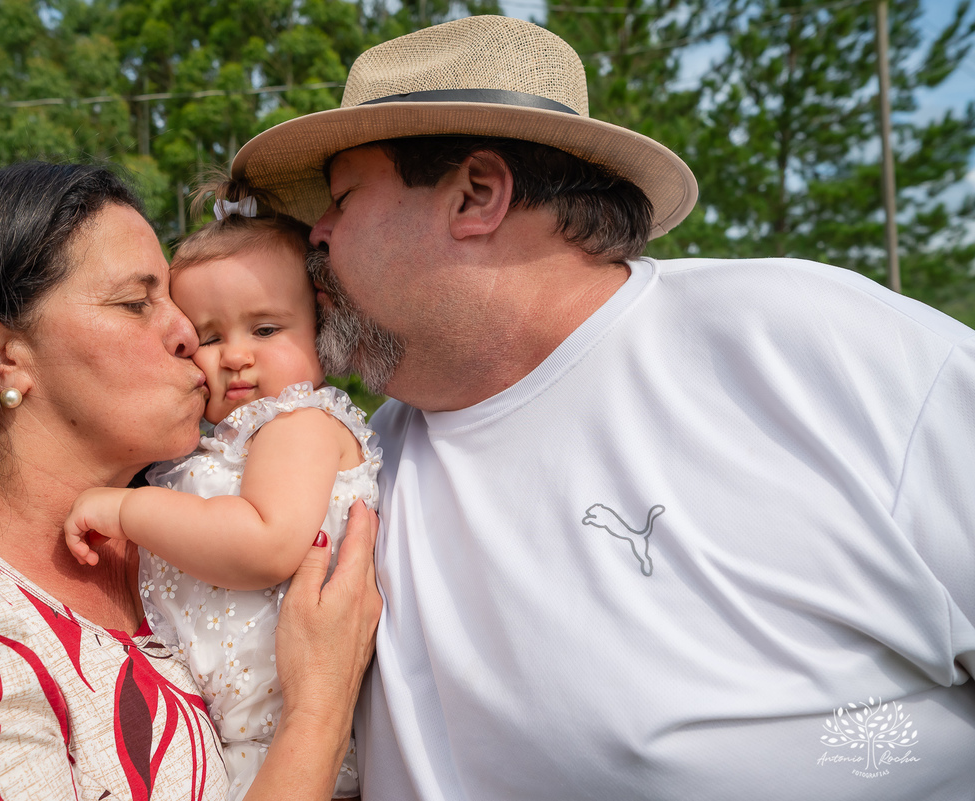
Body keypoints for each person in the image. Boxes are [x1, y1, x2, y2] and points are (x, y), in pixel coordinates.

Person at [230, 14, 975, 801]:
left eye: (343, 198)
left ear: (476, 194)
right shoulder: (347, 459)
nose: (317, 233)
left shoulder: (811, 350)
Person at [0, 162, 381, 800]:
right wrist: (319, 711)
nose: (188, 335)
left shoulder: (187, 528)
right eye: (136, 303)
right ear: (5, 355)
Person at [62, 179, 381, 800]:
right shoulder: (228, 445)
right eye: (209, 337)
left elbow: (265, 544)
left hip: (286, 735)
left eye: (265, 329)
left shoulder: (299, 424)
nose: (234, 355)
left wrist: (129, 509)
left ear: (321, 329)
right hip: (242, 738)